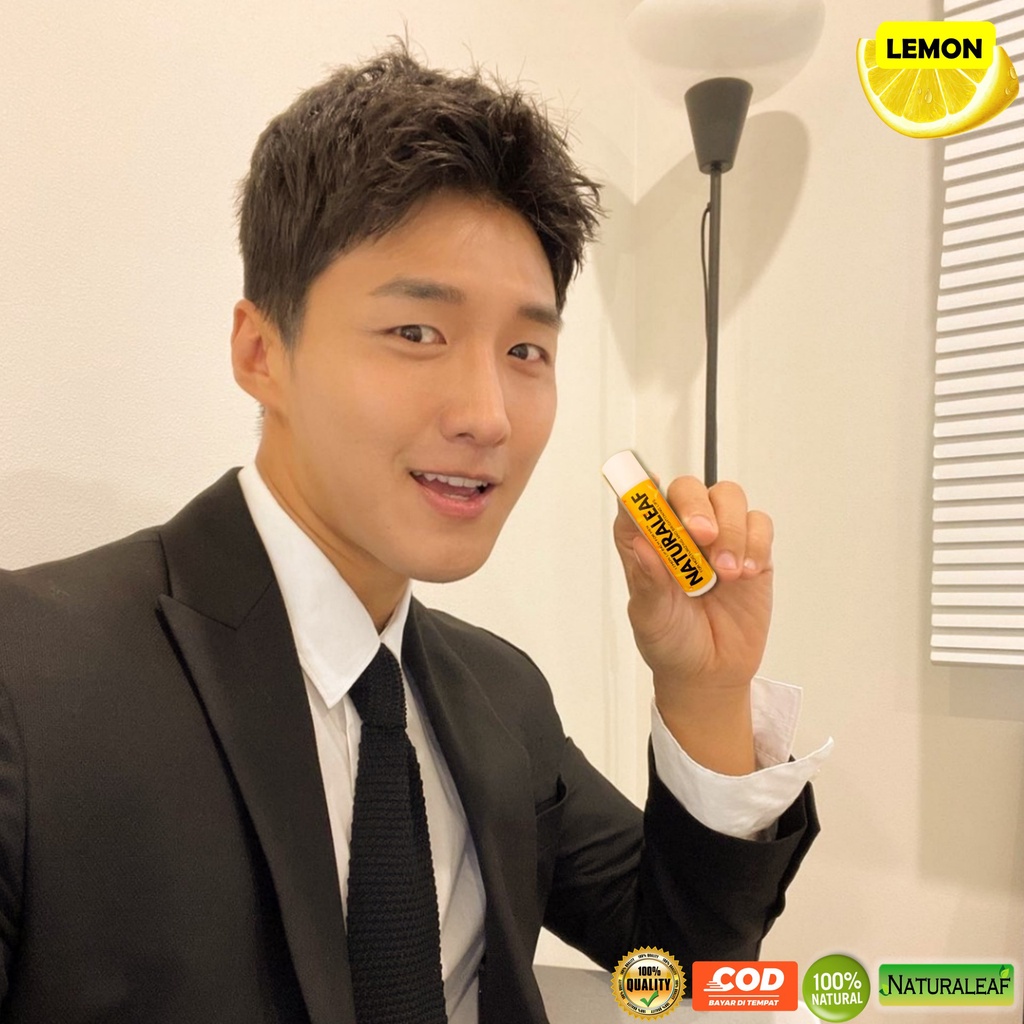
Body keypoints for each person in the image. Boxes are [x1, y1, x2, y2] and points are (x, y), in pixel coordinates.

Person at [0, 46, 826, 1024]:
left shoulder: (500, 694)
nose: (488, 416)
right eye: (416, 333)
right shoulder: (30, 674)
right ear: (261, 352)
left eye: (526, 349)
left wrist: (706, 691)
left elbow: (685, 965)